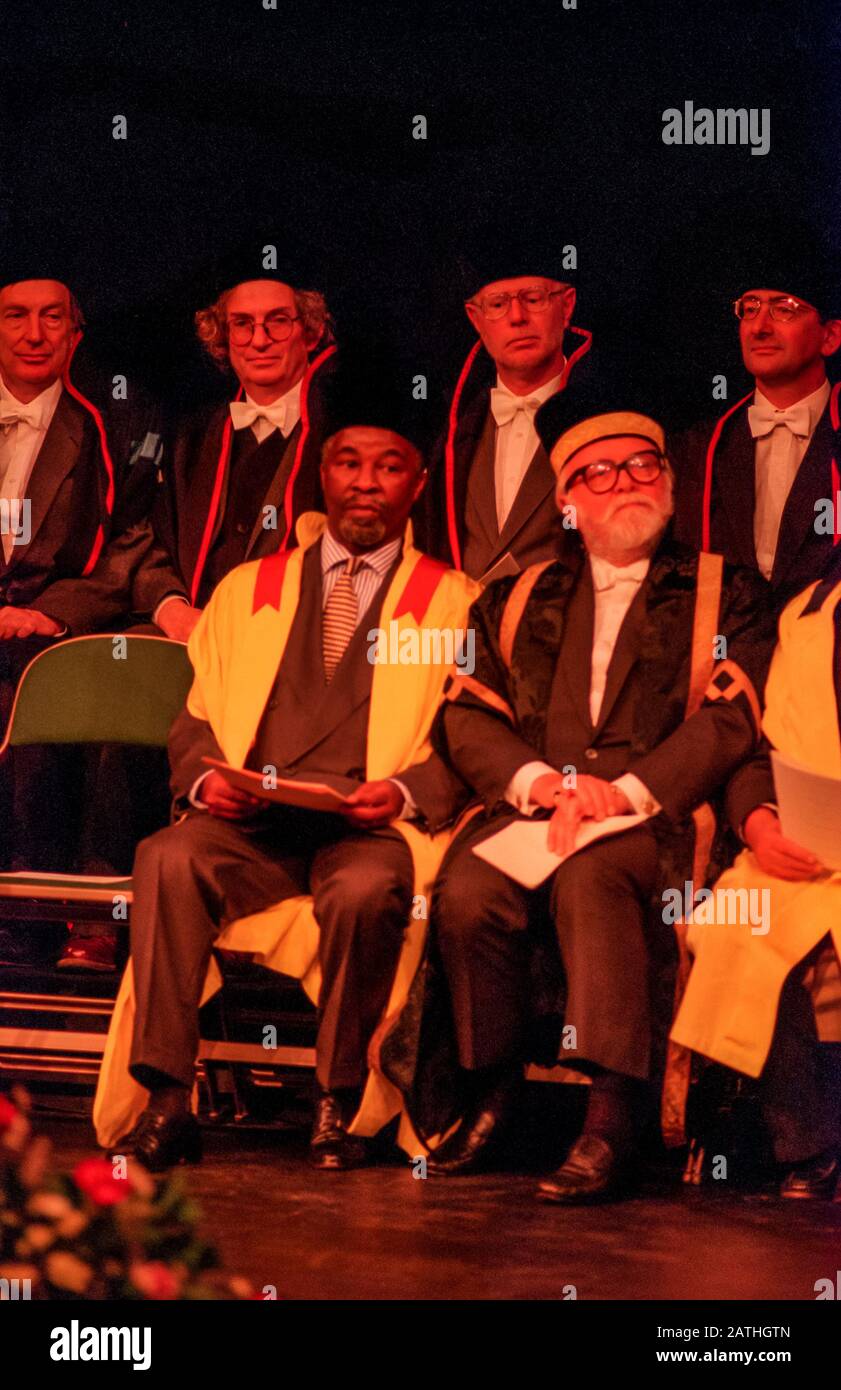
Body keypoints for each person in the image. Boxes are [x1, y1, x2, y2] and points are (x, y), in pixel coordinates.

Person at [100, 362, 478, 1172]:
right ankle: (169, 1098)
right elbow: (196, 713)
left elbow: (472, 738)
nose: (365, 484)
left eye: (388, 467)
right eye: (348, 462)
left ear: (417, 483)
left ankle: (339, 1100)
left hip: (367, 829)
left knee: (363, 891)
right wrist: (206, 780)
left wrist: (406, 792)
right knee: (166, 857)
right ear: (322, 472)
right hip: (254, 825)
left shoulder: (453, 601)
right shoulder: (249, 589)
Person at [425, 406, 774, 1201]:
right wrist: (540, 786)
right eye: (600, 473)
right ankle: (494, 1089)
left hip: (658, 813)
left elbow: (731, 717)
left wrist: (623, 792)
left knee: (596, 878)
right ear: (567, 502)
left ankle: (612, 1117)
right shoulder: (514, 595)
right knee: (469, 889)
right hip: (539, 807)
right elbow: (466, 710)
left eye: (643, 466)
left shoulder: (726, 590)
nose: (627, 484)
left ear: (670, 480)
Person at [51, 259, 338, 969]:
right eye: (242, 324)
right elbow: (144, 537)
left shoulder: (341, 437)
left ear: (308, 333)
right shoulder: (190, 432)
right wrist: (173, 604)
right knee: (124, 675)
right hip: (190, 627)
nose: (260, 337)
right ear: (221, 338)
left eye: (278, 322)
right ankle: (100, 912)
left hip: (293, 641)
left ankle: (242, 913)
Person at [671, 550, 841, 1199]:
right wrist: (760, 824)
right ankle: (807, 1142)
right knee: (741, 924)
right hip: (809, 845)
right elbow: (760, 756)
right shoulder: (803, 613)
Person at [0, 269, 160, 916]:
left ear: (75, 335)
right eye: (15, 316)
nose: (33, 333)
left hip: (54, 631)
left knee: (90, 688)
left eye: (51, 317)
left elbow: (131, 547)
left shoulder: (114, 427)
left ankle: (64, 912)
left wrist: (44, 615)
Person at [673, 223, 841, 608]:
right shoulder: (697, 450)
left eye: (784, 309)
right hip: (722, 657)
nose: (760, 327)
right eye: (750, 309)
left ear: (829, 337)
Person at [422, 231, 604, 584]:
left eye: (533, 298)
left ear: (566, 306)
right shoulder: (452, 432)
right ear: (476, 319)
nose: (517, 317)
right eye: (498, 304)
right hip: (464, 634)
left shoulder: (603, 422)